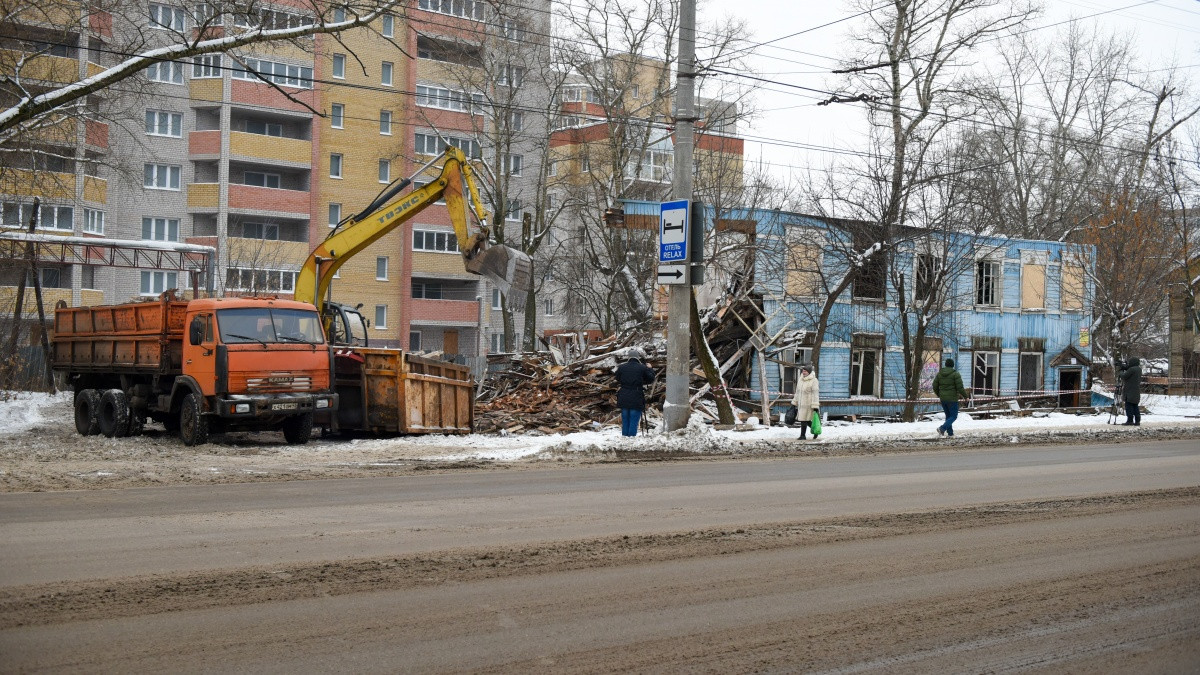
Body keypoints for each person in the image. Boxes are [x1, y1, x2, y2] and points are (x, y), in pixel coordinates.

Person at [615, 348, 655, 437]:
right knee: (634, 417)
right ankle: (631, 438)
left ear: (629, 357)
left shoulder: (622, 367)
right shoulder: (642, 367)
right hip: (636, 394)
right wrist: (650, 369)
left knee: (625, 417)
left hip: (624, 394)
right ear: (638, 357)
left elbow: (617, 378)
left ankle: (625, 437)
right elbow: (650, 379)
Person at [932, 358, 968, 437]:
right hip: (952, 399)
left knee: (948, 416)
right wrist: (966, 396)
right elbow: (960, 387)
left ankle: (950, 434)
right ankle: (942, 428)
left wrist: (939, 394)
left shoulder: (939, 374)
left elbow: (934, 386)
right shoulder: (955, 374)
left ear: (946, 365)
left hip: (943, 399)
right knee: (954, 416)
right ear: (952, 365)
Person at [791, 363, 821, 440]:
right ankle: (814, 431)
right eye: (803, 371)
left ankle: (803, 435)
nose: (803, 372)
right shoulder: (800, 380)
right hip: (801, 404)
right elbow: (797, 392)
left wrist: (815, 406)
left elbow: (815, 394)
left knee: (804, 420)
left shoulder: (814, 381)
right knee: (805, 420)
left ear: (809, 372)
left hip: (809, 404)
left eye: (805, 371)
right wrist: (794, 402)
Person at [1120, 357, 1142, 426]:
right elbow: (1130, 371)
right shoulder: (1139, 369)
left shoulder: (1132, 369)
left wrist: (1121, 371)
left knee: (1128, 406)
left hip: (1129, 391)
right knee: (1135, 405)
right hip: (1136, 391)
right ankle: (1137, 421)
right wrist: (1126, 367)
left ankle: (1130, 420)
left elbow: (1124, 376)